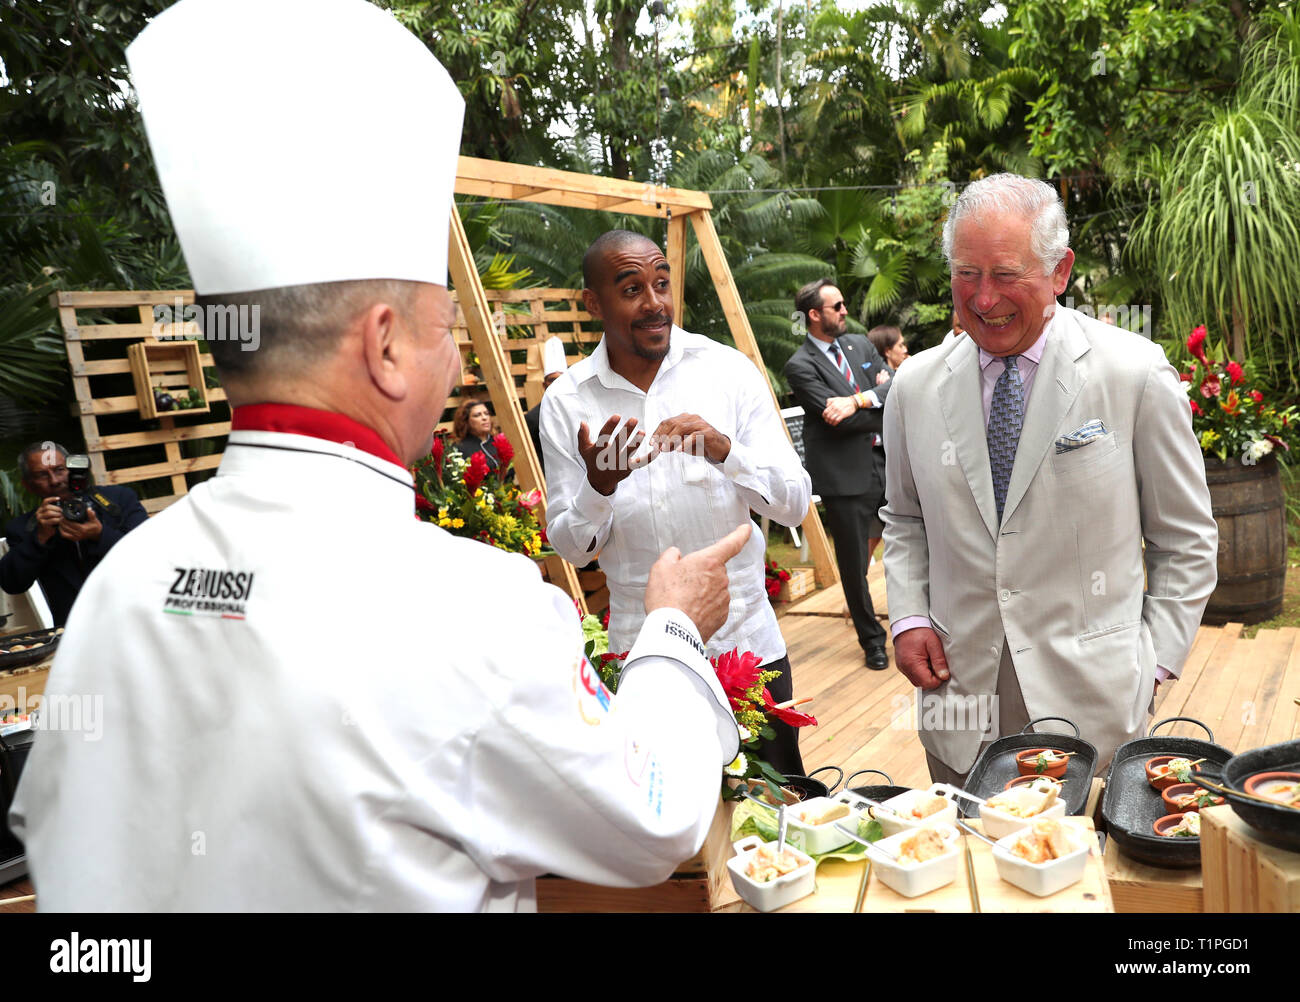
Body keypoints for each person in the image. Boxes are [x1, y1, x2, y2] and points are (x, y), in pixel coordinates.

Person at [9, 0, 749, 912]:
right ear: (386, 346)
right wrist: (674, 626)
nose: (459, 359)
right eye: (447, 328)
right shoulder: (470, 607)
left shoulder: (125, 587)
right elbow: (655, 818)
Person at [880, 173, 1218, 786]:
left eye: (1006, 275)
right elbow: (904, 520)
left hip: (1095, 708)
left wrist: (1154, 663)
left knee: (1090, 874)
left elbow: (1187, 539)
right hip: (959, 704)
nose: (983, 299)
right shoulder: (914, 387)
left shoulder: (1133, 374)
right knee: (969, 871)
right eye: (966, 274)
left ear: (1059, 272)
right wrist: (907, 618)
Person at [541, 229, 812, 776]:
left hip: (748, 649)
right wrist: (599, 486)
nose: (654, 303)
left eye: (661, 283)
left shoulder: (727, 371)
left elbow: (796, 504)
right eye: (632, 288)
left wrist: (725, 451)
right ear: (593, 303)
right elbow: (570, 549)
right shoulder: (568, 402)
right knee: (666, 827)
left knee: (779, 806)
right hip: (644, 661)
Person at [783, 281, 894, 670]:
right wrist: (876, 402)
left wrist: (857, 400)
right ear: (815, 315)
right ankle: (873, 642)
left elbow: (896, 387)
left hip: (889, 465)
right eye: (838, 305)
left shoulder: (861, 346)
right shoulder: (800, 366)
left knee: (911, 543)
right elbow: (836, 424)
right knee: (852, 564)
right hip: (844, 478)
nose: (846, 310)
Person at [0, 442, 147, 627]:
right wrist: (40, 537)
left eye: (59, 470)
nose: (54, 480)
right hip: (74, 630)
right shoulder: (24, 527)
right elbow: (12, 584)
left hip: (136, 616)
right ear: (28, 485)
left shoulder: (117, 501)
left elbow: (150, 555)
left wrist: (100, 535)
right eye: (41, 475)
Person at [525, 336, 567, 480]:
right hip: (548, 479)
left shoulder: (580, 410)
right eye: (552, 380)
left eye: (562, 379)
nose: (557, 383)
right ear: (544, 385)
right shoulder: (532, 418)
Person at [452, 398, 503, 471]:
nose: (484, 418)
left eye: (486, 413)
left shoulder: (498, 441)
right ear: (465, 421)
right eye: (477, 415)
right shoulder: (459, 448)